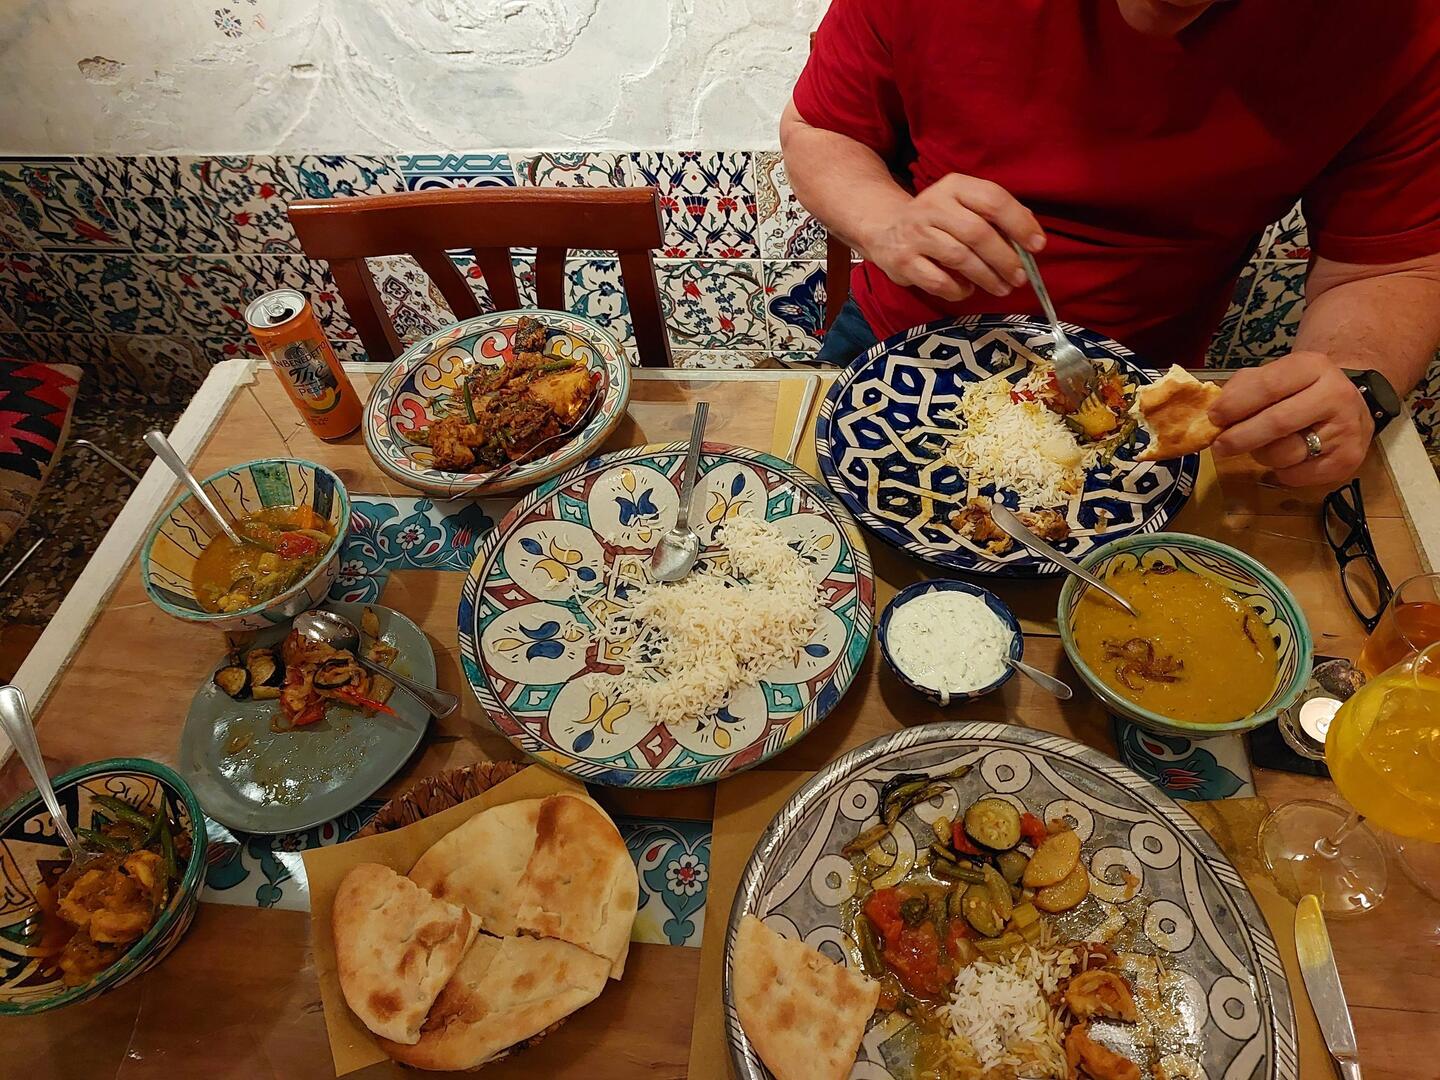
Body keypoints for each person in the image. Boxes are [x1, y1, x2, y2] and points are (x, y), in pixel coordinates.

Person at [782, 0, 1440, 486]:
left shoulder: (1397, 23)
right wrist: (884, 219)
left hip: (1141, 391)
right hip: (895, 348)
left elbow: (1390, 267)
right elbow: (822, 130)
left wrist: (1350, 384)